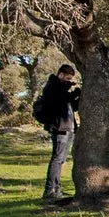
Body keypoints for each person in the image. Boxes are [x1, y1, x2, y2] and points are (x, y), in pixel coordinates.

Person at [37, 64, 80, 200]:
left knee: (61, 160)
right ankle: (50, 190)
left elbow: (72, 106)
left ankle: (57, 188)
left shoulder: (62, 89)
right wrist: (74, 92)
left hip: (69, 128)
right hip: (59, 128)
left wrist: (77, 96)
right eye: (67, 78)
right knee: (57, 159)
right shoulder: (52, 87)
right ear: (60, 74)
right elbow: (60, 100)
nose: (68, 81)